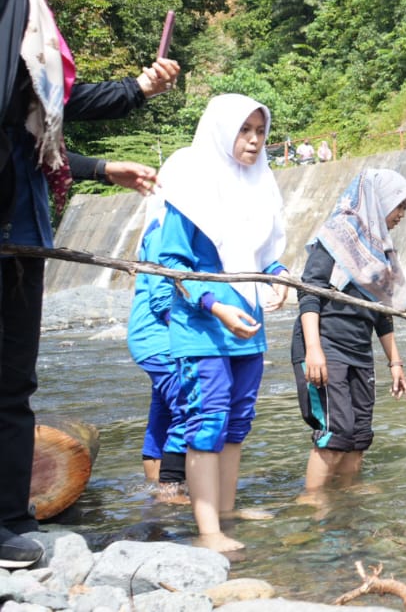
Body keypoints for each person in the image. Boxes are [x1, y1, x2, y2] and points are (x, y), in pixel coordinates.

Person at [1, 0, 171, 569]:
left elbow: (33, 114)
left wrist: (131, 98)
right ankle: (6, 527)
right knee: (11, 381)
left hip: (16, 203)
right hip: (9, 220)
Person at [155, 93, 290, 552]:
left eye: (260, 132)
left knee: (237, 421)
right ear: (220, 130)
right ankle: (208, 530)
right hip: (202, 330)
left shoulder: (260, 185)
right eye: (244, 130)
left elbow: (263, 255)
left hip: (248, 326)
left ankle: (227, 513)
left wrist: (280, 274)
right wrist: (214, 304)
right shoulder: (189, 189)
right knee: (206, 421)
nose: (253, 141)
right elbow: (172, 266)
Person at [293, 169, 406, 491]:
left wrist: (396, 364)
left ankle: (347, 505)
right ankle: (313, 507)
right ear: (380, 201)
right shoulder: (338, 235)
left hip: (359, 352)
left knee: (359, 438)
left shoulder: (381, 252)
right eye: (399, 206)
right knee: (336, 434)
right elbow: (310, 291)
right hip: (325, 344)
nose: (401, 215)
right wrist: (313, 350)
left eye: (405, 207)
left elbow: (382, 313)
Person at [128, 198, 185, 493]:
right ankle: (170, 490)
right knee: (190, 407)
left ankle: (153, 490)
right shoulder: (166, 228)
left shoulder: (159, 224)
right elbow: (162, 296)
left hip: (150, 337)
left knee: (163, 412)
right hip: (161, 338)